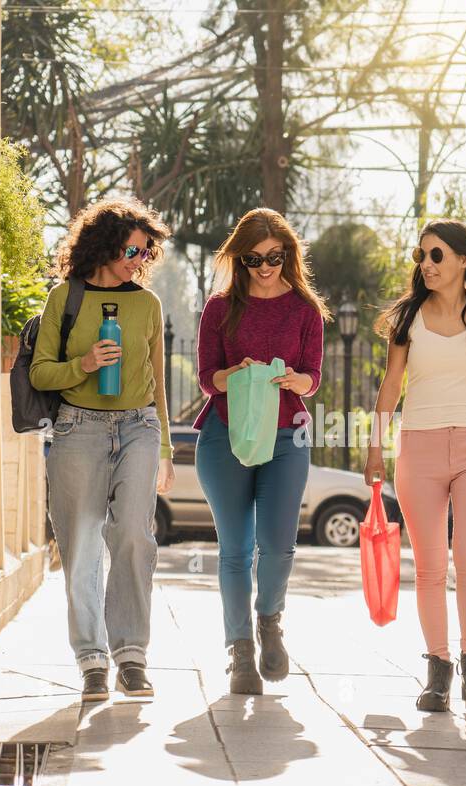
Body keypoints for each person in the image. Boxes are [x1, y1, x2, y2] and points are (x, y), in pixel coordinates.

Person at [30, 198, 175, 703]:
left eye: (146, 251)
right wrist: (85, 363)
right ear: (107, 245)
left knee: (134, 535)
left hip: (138, 426)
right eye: (133, 249)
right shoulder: (63, 299)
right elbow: (40, 371)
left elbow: (157, 381)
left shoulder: (147, 305)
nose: (140, 258)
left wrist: (166, 450)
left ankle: (131, 657)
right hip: (77, 428)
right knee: (81, 546)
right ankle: (91, 660)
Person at [365, 219, 466, 712]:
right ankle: (437, 672)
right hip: (419, 449)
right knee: (429, 566)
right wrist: (375, 445)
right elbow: (391, 385)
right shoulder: (409, 318)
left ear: (463, 261)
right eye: (421, 256)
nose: (426, 264)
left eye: (437, 255)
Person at [194, 208, 328, 695]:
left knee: (277, 545)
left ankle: (269, 621)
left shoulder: (305, 309)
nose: (266, 267)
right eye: (254, 258)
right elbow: (207, 379)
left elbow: (313, 376)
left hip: (285, 437)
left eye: (275, 256)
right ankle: (240, 651)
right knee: (235, 550)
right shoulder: (218, 308)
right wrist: (234, 374)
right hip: (225, 436)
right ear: (240, 258)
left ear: (288, 254)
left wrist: (297, 380)